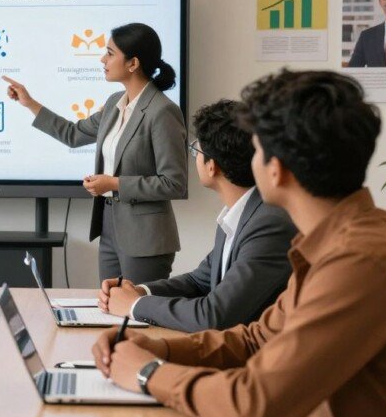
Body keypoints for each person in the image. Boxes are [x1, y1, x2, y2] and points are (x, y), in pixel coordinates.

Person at [92, 69, 386, 417]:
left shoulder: (359, 260)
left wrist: (148, 374)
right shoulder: (341, 239)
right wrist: (160, 347)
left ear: (275, 169)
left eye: (255, 149)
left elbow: (257, 402)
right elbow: (258, 339)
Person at [3, 22, 188, 284]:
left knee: (139, 316)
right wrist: (29, 103)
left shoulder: (162, 111)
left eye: (110, 53)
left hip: (145, 237)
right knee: (109, 308)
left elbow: (174, 183)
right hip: (110, 225)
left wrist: (113, 183)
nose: (103, 59)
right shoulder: (115, 103)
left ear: (133, 63)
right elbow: (73, 134)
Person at [99, 99, 296, 332]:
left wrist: (134, 304)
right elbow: (199, 281)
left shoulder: (269, 224)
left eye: (196, 150)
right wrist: (140, 291)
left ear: (212, 166)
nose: (194, 158)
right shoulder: (240, 214)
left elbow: (214, 315)